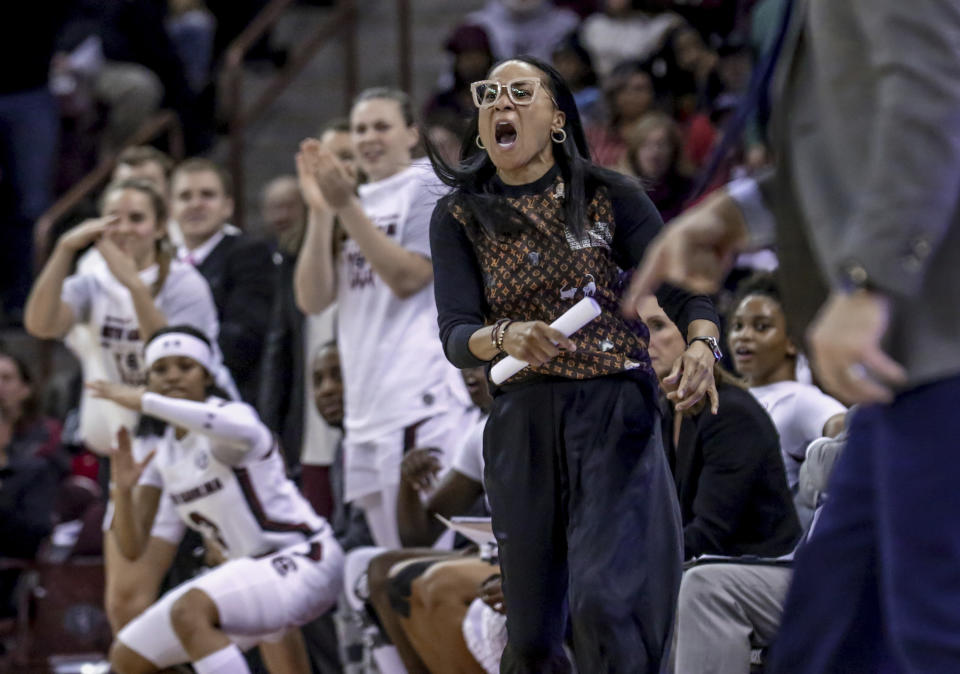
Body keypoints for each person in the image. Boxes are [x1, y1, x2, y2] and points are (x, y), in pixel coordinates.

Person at [625, 2, 960, 670]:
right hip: (909, 365)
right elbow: (848, 148)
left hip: (934, 346)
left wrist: (869, 283)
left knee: (930, 635)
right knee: (828, 638)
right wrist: (735, 212)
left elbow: (936, 102)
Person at [427, 55, 721, 672]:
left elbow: (685, 285)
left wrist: (700, 343)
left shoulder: (609, 196)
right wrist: (504, 336)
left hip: (614, 411)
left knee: (603, 607)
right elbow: (456, 334)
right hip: (522, 421)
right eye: (489, 95)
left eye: (519, 92)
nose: (500, 103)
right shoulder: (458, 215)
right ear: (481, 125)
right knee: (533, 637)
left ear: (557, 118)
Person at [22, 178, 233, 632]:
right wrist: (62, 250)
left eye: (137, 219)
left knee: (226, 594)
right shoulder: (93, 277)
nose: (125, 230)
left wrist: (134, 286)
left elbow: (171, 356)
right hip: (141, 446)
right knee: (125, 603)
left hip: (201, 441)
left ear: (160, 227)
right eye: (113, 219)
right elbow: (40, 324)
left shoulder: (184, 284)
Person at [92, 325, 343, 674]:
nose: (173, 376)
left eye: (185, 366)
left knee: (190, 611)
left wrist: (144, 401)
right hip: (251, 572)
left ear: (207, 376)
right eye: (161, 370)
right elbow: (133, 548)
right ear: (148, 377)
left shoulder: (230, 418)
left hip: (304, 558)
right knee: (129, 656)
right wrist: (122, 490)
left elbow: (234, 427)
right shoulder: (163, 453)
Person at [294, 87, 470, 550]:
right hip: (365, 404)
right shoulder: (352, 200)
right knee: (390, 562)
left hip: (419, 395)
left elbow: (408, 277)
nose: (368, 137)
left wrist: (345, 208)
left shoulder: (428, 183)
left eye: (381, 126)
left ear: (411, 133)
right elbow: (313, 299)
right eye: (360, 128)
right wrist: (319, 211)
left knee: (428, 555)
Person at [639, 295, 800, 561]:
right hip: (705, 564)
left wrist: (638, 560)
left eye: (658, 326)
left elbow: (712, 533)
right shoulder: (666, 409)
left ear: (694, 335)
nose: (644, 340)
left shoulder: (730, 413)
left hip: (759, 567)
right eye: (639, 327)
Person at [727, 273, 845, 492]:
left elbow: (842, 427)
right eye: (737, 326)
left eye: (761, 327)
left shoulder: (798, 398)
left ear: (791, 341)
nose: (743, 336)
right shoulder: (730, 395)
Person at [171, 158, 274, 404]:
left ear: (227, 206)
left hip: (228, 398)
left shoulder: (250, 254)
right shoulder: (163, 262)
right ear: (170, 208)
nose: (196, 204)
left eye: (207, 195)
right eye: (185, 197)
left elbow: (242, 338)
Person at [618, 112, 692, 221]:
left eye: (661, 145)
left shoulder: (688, 189)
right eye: (646, 145)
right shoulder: (619, 191)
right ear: (634, 151)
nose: (654, 153)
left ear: (674, 150)